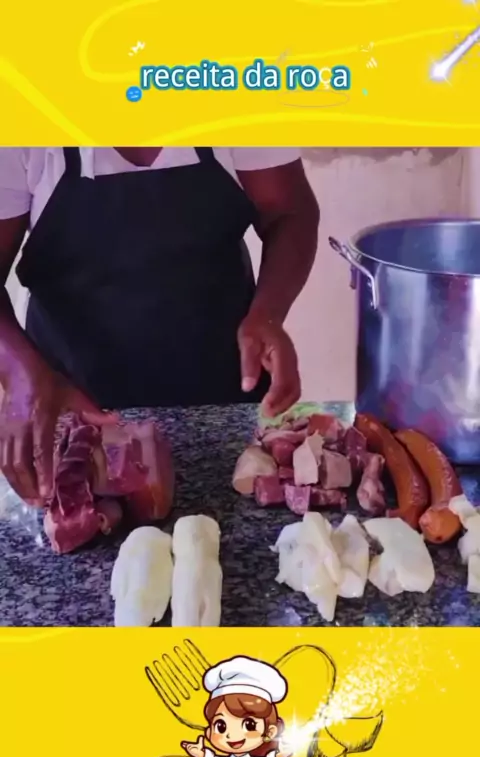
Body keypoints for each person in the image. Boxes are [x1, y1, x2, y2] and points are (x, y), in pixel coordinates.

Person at [0, 147, 319, 504]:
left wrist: (268, 315)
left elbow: (288, 211)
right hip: (75, 406)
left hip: (222, 392)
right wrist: (18, 373)